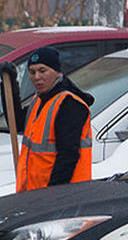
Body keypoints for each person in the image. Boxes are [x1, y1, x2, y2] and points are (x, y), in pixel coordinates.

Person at [15, 46, 95, 192]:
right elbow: (17, 123)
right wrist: (9, 84)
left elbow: (67, 157)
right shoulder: (39, 100)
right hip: (34, 194)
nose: (36, 77)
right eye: (32, 72)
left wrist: (52, 196)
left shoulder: (69, 104)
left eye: (42, 70)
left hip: (63, 197)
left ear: (57, 72)